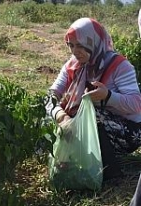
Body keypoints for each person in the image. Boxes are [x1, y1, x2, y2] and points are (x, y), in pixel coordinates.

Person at [46, 17, 141, 182]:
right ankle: (76, 161)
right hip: (100, 126)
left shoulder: (119, 66)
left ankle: (110, 173)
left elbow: (136, 104)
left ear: (94, 42)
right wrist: (62, 116)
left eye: (81, 45)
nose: (75, 51)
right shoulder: (73, 66)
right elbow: (51, 96)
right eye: (71, 45)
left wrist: (108, 96)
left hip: (129, 131)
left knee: (91, 114)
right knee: (56, 115)